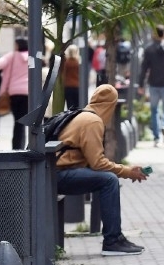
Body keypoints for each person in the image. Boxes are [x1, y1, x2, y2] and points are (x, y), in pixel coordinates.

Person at [55, 84, 148, 255]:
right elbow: (97, 163)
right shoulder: (92, 121)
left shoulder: (82, 115)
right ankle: (112, 241)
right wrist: (126, 171)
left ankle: (116, 238)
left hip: (53, 173)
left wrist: (126, 170)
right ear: (110, 106)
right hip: (59, 176)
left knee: (107, 178)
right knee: (109, 180)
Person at [140, 24, 164, 147]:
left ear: (154, 34)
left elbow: (144, 68)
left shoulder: (149, 49)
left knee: (154, 110)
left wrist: (141, 84)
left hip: (153, 83)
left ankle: (157, 138)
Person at [0, 37, 30, 150]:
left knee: (17, 121)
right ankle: (23, 145)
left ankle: (17, 146)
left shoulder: (12, 56)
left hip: (14, 92)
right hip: (28, 92)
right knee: (24, 120)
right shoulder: (32, 56)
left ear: (17, 45)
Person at [63, 45, 82, 111]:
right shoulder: (78, 63)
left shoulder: (66, 63)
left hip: (68, 86)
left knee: (70, 107)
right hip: (77, 86)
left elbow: (63, 73)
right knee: (77, 107)